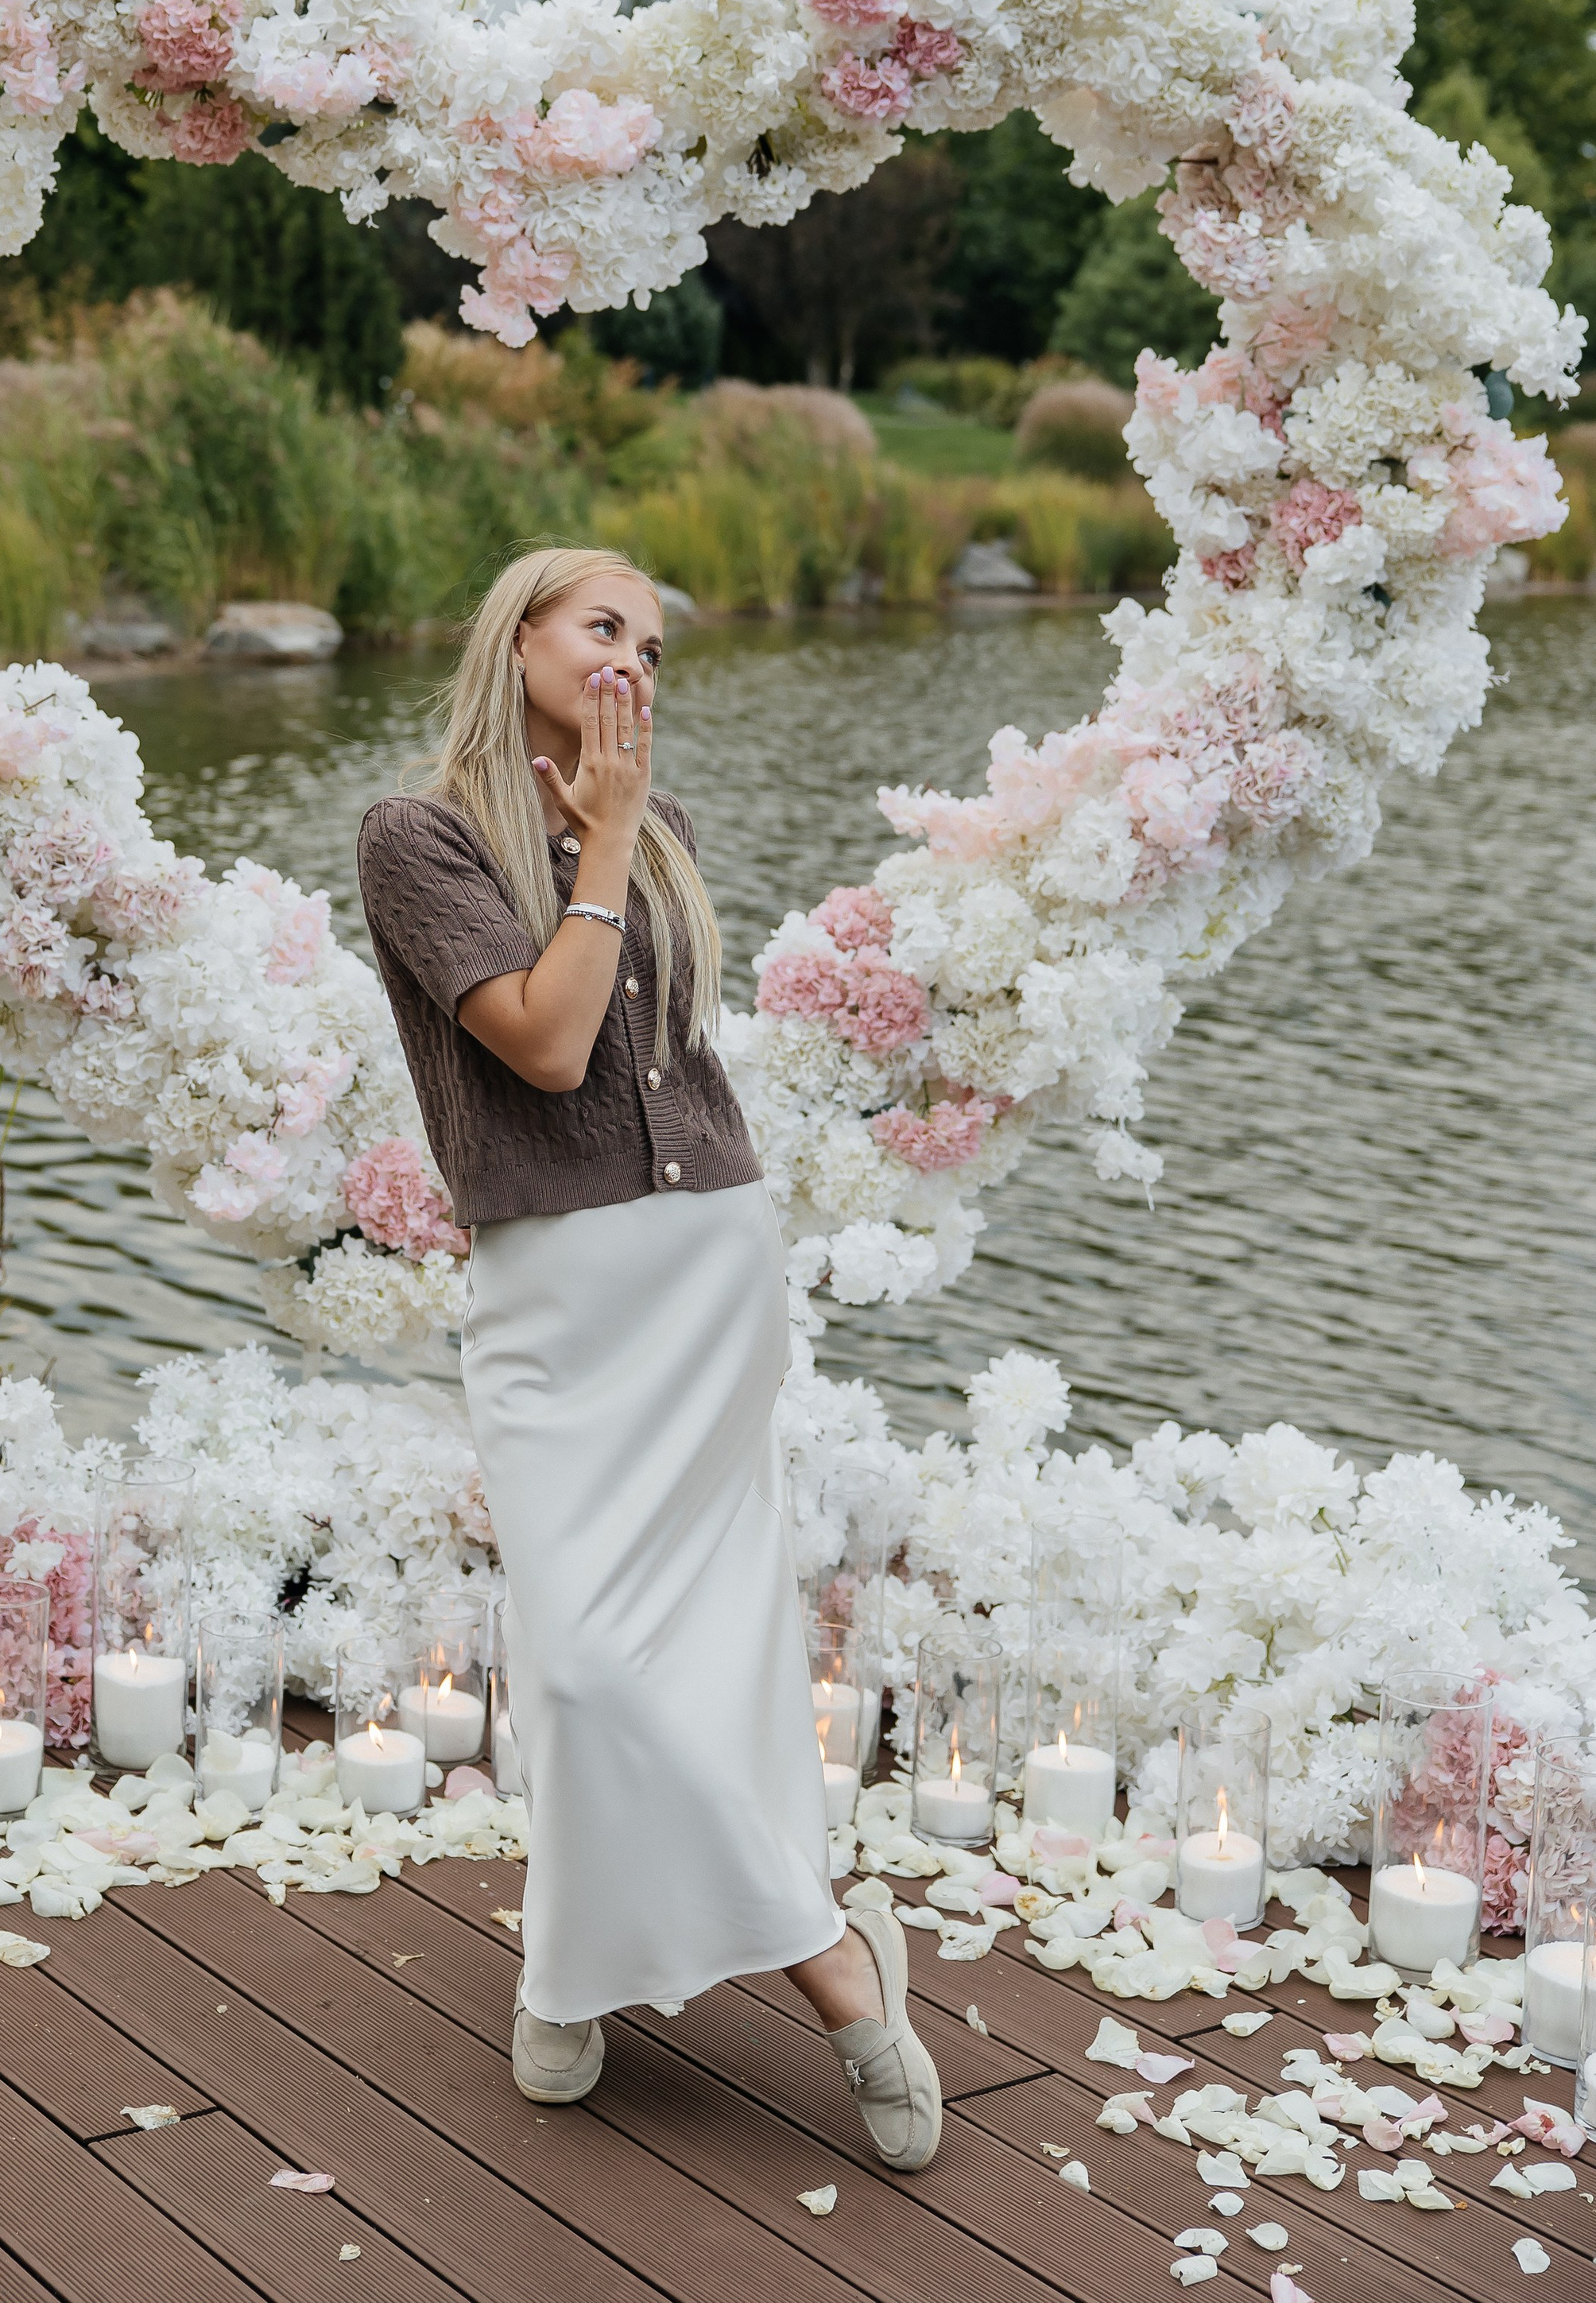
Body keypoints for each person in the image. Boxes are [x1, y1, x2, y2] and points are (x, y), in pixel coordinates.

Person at [356, 545, 939, 2171]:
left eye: (656, 648)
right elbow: (544, 1048)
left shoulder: (655, 828)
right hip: (556, 1290)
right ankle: (836, 1962)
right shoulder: (417, 838)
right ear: (519, 641)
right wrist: (605, 836)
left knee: (708, 1647)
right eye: (602, 626)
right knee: (582, 1662)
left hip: (703, 1273)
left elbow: (666, 1062)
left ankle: (567, 1972)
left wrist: (620, 831)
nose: (632, 662)